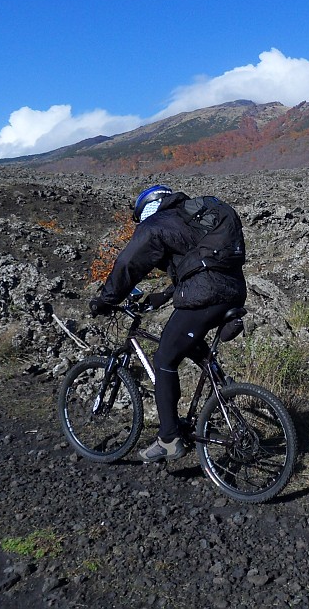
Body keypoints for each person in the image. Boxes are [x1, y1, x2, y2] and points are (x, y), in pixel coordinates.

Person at [89, 184, 247, 462]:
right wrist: (163, 296)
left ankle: (169, 439)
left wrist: (107, 299)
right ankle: (224, 389)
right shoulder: (189, 218)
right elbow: (199, 265)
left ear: (147, 208)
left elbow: (129, 263)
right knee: (189, 344)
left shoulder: (155, 224)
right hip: (232, 290)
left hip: (205, 297)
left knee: (164, 357)